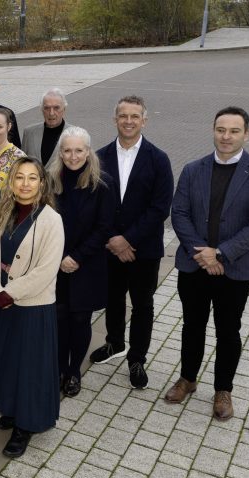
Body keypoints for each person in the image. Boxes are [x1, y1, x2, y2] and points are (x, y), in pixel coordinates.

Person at [166, 107, 249, 421]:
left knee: (228, 331)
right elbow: (180, 214)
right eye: (220, 129)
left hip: (234, 269)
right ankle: (188, 378)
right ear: (213, 130)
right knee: (192, 326)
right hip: (194, 265)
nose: (226, 136)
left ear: (246, 134)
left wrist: (221, 254)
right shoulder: (192, 169)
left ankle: (223, 390)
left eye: (233, 131)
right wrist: (202, 253)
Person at [0, 157, 64, 458]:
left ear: (42, 184)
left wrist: (10, 293)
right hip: (0, 302)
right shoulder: (1, 212)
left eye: (32, 178)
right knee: (7, 359)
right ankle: (13, 410)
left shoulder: (52, 220)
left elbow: (46, 270)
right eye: (19, 177)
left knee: (29, 366)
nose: (25, 184)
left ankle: (26, 425)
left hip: (32, 305)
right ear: (10, 181)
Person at [90, 95, 174, 390]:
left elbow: (160, 207)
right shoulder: (98, 157)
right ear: (115, 119)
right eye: (123, 116)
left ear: (144, 120)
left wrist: (128, 239)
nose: (128, 121)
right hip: (110, 247)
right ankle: (114, 342)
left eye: (134, 116)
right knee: (113, 299)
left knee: (143, 304)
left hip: (144, 249)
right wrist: (113, 239)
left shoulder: (158, 159)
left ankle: (137, 358)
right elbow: (96, 204)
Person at [46, 127, 116, 397]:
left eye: (78, 150)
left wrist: (76, 257)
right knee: (58, 318)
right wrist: (57, 257)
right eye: (67, 150)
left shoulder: (102, 184)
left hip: (86, 265)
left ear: (88, 151)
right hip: (55, 264)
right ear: (60, 152)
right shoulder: (50, 181)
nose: (72, 156)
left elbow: (104, 227)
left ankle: (74, 371)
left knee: (80, 319)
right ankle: (59, 368)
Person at [22, 88, 74, 165]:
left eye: (56, 108)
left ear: (64, 109)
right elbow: (22, 163)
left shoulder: (76, 134)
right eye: (47, 108)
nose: (51, 113)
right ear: (42, 110)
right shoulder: (29, 132)